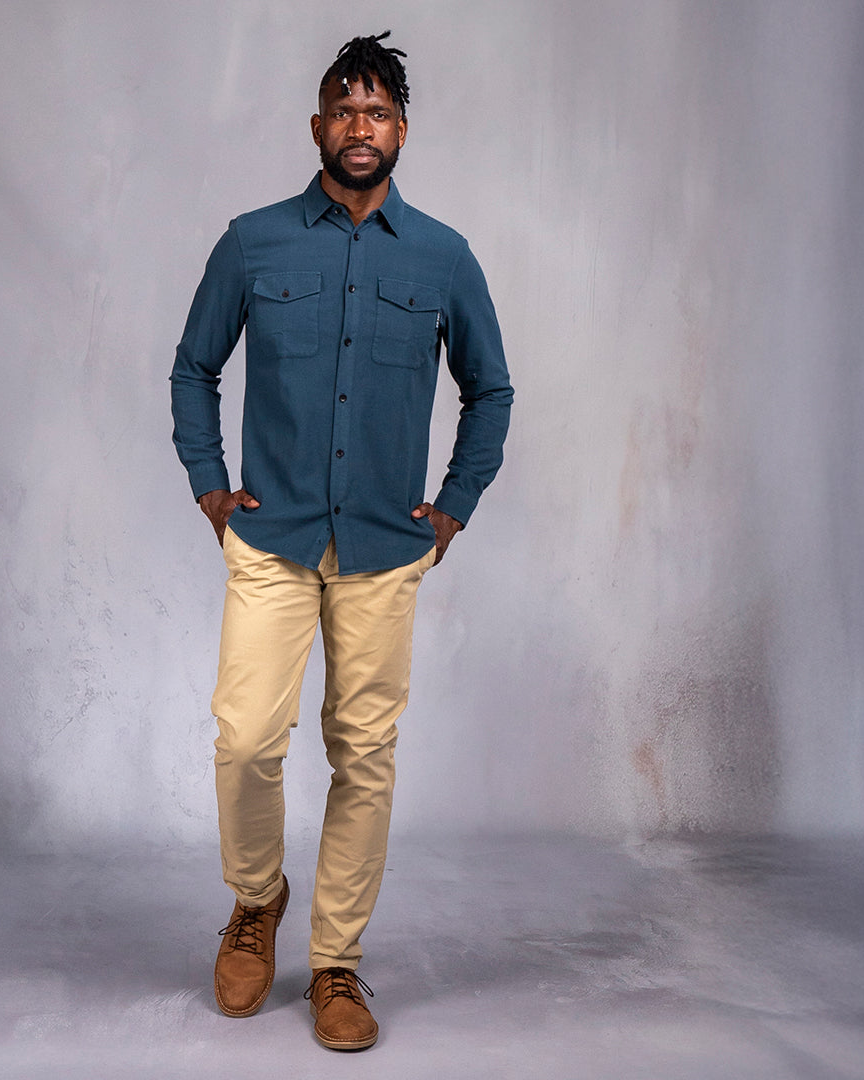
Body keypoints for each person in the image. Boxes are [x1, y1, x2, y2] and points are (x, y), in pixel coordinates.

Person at [170, 30, 513, 1051]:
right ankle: (255, 900)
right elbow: (193, 367)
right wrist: (211, 488)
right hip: (271, 539)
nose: (360, 127)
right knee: (245, 740)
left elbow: (490, 390)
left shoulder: (445, 257)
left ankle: (335, 963)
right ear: (317, 126)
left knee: (363, 756)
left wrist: (453, 506)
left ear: (401, 130)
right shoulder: (253, 242)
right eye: (344, 110)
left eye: (378, 112)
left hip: (383, 550)